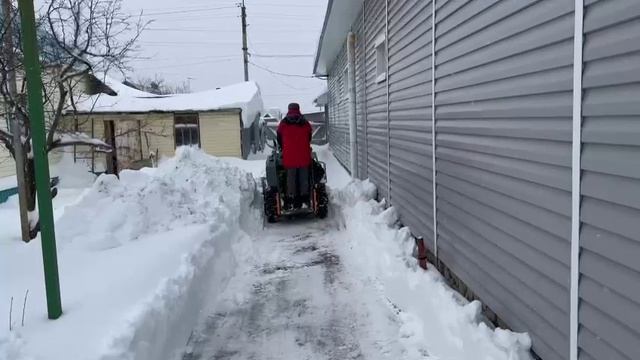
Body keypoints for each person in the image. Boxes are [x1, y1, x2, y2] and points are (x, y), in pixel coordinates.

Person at [277, 103, 312, 209]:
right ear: (298, 109)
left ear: (289, 109)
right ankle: (304, 198)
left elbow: (279, 137)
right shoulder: (304, 122)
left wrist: (284, 147)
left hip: (289, 156)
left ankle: (290, 198)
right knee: (303, 176)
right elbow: (309, 136)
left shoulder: (283, 123)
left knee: (291, 177)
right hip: (303, 155)